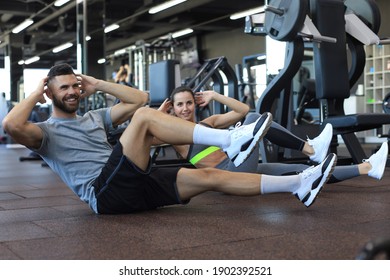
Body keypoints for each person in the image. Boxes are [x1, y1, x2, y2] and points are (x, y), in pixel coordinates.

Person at [2, 63, 337, 215]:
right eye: (66, 88)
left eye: (76, 86)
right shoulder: (45, 133)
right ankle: (229, 141)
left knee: (210, 176)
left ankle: (298, 184)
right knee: (146, 117)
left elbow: (138, 96)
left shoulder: (93, 117)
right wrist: (38, 91)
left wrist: (98, 84)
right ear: (51, 92)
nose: (74, 92)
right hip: (103, 193)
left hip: (131, 182)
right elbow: (11, 125)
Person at [156, 86, 388, 182]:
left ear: (195, 104)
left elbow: (242, 109)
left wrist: (215, 95)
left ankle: (367, 169)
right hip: (229, 176)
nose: (185, 108)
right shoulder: (175, 135)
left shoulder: (208, 123)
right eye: (179, 105)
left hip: (242, 165)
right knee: (253, 120)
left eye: (188, 103)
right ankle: (311, 149)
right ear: (173, 108)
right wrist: (158, 114)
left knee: (304, 172)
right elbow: (148, 138)